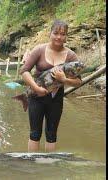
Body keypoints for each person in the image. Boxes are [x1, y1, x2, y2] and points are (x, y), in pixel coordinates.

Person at [19, 20, 82, 152]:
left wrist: (64, 79)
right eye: (56, 33)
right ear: (50, 34)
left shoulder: (71, 56)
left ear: (66, 37)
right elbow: (24, 71)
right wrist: (36, 88)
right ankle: (33, 166)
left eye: (63, 34)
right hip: (36, 97)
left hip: (56, 99)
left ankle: (49, 167)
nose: (59, 37)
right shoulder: (39, 50)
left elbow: (78, 82)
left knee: (52, 135)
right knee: (35, 134)